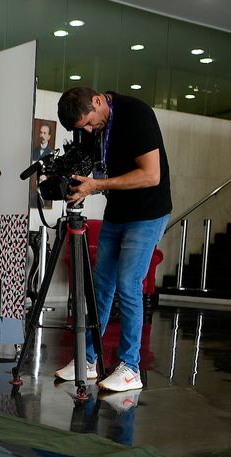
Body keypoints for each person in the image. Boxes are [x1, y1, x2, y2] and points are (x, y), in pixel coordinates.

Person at [52, 87, 171, 394]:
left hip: (148, 212)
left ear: (97, 100)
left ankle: (131, 368)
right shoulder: (93, 125)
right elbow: (94, 165)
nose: (90, 131)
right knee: (101, 285)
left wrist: (96, 185)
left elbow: (151, 175)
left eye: (90, 123)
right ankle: (88, 360)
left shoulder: (136, 114)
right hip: (118, 212)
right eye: (84, 129)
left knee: (129, 283)